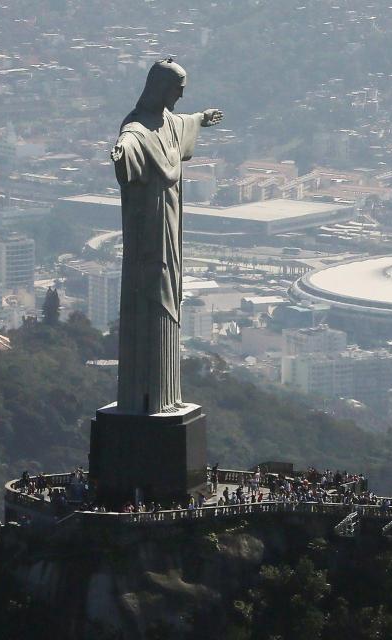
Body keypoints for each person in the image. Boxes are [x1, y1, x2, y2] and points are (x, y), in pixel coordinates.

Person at [110, 59, 223, 414]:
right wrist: (121, 154)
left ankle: (167, 396)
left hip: (171, 227)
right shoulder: (138, 130)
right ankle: (148, 398)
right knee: (152, 295)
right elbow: (128, 142)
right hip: (150, 233)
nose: (181, 94)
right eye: (178, 88)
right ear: (160, 87)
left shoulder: (169, 124)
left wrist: (201, 118)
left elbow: (181, 123)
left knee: (170, 293)